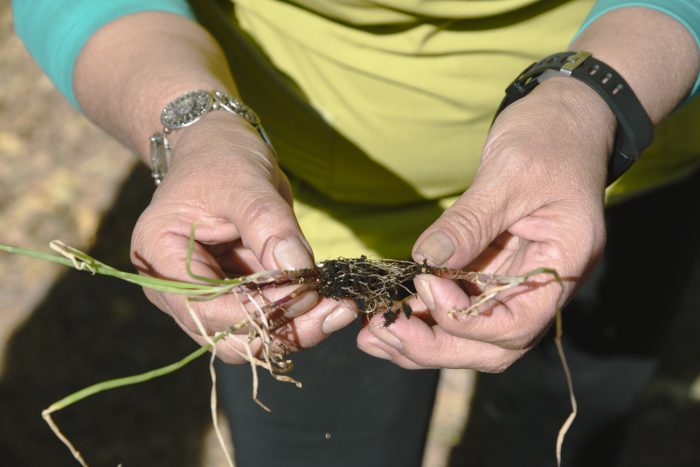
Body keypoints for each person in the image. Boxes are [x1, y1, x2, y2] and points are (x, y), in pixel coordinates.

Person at [13, 1, 700, 466]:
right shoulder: (277, 264)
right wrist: (196, 128)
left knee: (559, 424)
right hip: (298, 220)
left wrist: (594, 104)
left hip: (606, 181)